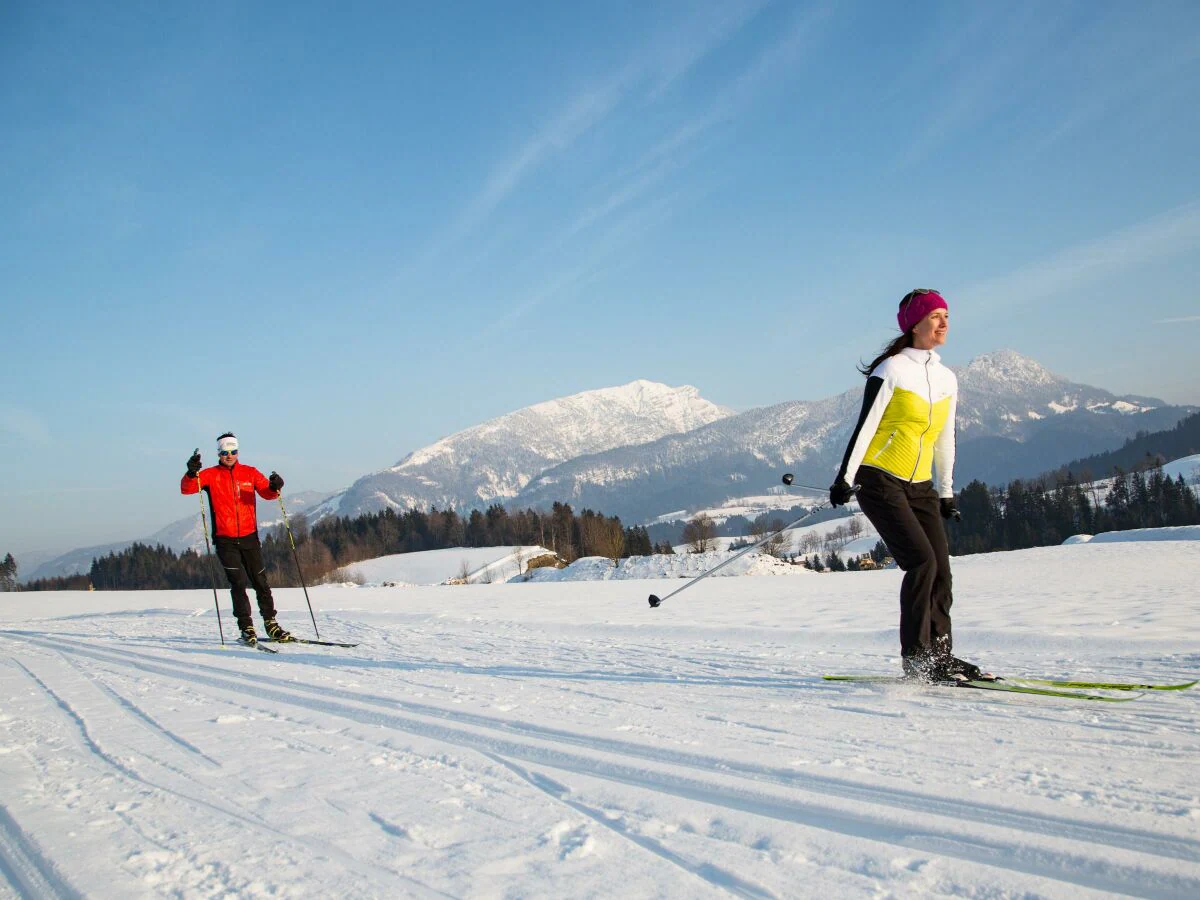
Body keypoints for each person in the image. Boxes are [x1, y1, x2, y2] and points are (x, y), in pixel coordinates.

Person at [829, 289, 985, 682]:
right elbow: (865, 427)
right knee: (921, 562)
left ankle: (940, 657)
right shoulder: (891, 370)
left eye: (946, 315)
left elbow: (944, 438)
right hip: (879, 479)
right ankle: (918, 659)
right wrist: (845, 477)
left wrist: (945, 491)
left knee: (942, 572)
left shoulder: (946, 378)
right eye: (935, 316)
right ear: (915, 324)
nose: (944, 323)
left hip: (921, 486)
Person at [181, 433, 294, 646]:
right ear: (219, 453)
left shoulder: (250, 472)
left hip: (250, 537)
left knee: (260, 582)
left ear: (238, 452)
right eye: (225, 452)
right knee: (238, 583)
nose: (229, 455)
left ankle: (271, 624)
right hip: (225, 540)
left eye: (233, 451)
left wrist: (275, 486)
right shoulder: (210, 475)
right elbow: (187, 489)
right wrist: (190, 472)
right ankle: (246, 627)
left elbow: (268, 493)